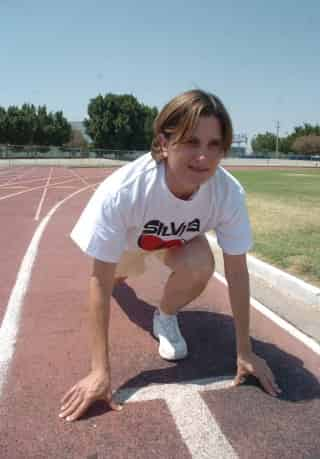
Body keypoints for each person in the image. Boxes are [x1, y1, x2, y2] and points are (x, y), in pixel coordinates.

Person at [59, 89, 281, 422]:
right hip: (130, 244)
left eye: (214, 145)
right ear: (164, 143)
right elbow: (99, 283)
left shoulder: (227, 192)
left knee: (202, 263)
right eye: (191, 142)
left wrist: (245, 351)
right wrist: (99, 371)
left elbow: (236, 271)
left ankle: (164, 316)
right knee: (117, 283)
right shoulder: (123, 192)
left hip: (176, 242)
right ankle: (128, 276)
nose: (203, 157)